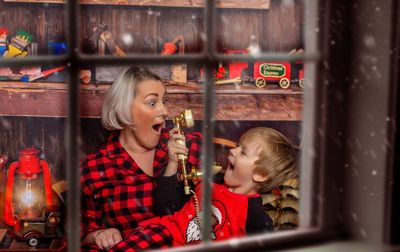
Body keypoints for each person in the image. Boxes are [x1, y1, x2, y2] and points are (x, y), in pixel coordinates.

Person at [110, 127, 299, 251]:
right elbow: (165, 206)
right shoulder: (210, 180)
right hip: (164, 236)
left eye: (243, 152)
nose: (233, 151)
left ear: (260, 174)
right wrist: (173, 163)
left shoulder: (255, 216)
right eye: (237, 146)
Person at [80, 66, 202, 251]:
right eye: (152, 103)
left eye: (164, 100)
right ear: (125, 109)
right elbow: (81, 235)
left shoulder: (188, 147)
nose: (165, 111)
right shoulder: (95, 168)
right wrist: (98, 235)